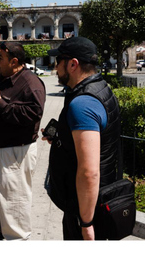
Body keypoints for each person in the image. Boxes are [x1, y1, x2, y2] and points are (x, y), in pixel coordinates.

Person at [43, 37, 121, 240]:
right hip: (100, 198)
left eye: (58, 61)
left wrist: (86, 223)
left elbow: (89, 173)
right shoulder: (101, 87)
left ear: (72, 64)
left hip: (86, 209)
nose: (55, 67)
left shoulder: (82, 104)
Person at [0, 41, 46, 240]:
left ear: (14, 61)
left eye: (0, 58)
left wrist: (0, 106)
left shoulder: (31, 83)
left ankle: (17, 239)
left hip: (14, 153)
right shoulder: (3, 78)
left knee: (14, 200)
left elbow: (33, 114)